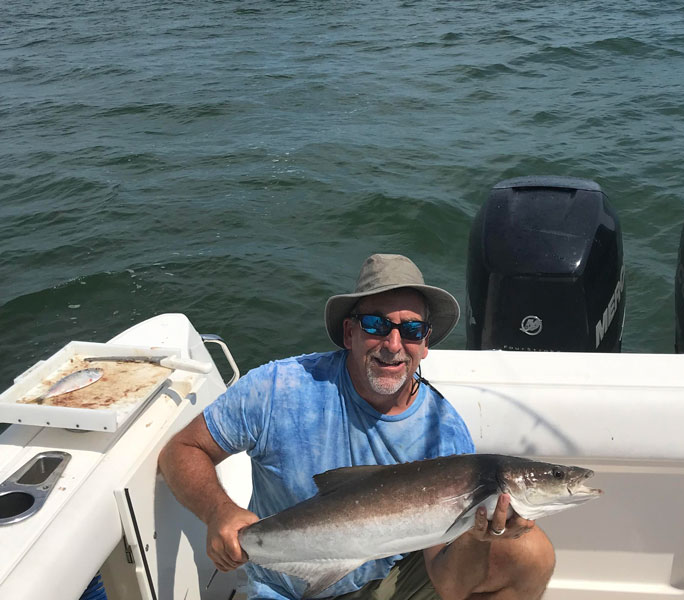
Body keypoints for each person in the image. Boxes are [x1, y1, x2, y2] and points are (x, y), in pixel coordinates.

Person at [158, 253, 555, 600]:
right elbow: (182, 450)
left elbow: (450, 586)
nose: (394, 344)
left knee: (530, 553)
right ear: (349, 332)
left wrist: (476, 536)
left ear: (426, 343)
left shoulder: (444, 433)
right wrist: (218, 512)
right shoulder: (280, 388)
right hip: (283, 585)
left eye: (412, 330)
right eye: (376, 325)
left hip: (387, 583)